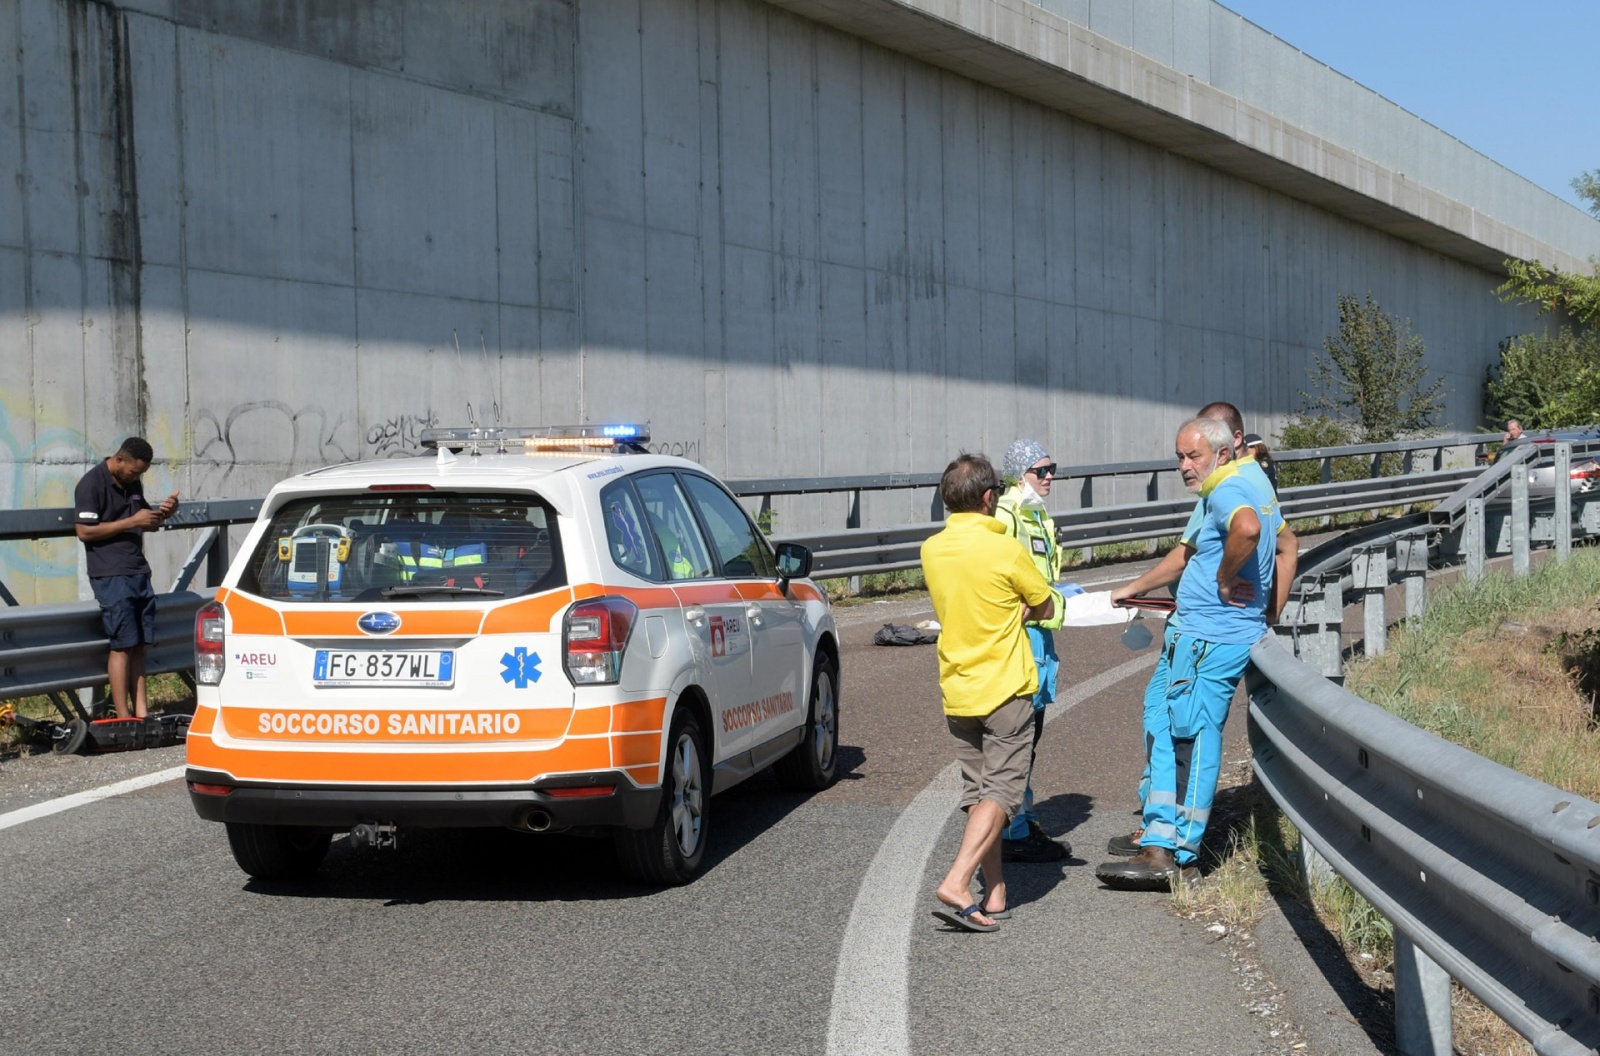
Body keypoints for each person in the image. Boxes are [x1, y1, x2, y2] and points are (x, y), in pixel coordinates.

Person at [1097, 418, 1291, 890]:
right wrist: (1270, 609)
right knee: (1163, 721)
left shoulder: (1226, 489)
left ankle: (1173, 851)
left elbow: (1246, 529)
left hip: (1211, 639)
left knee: (1191, 736)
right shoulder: (1253, 480)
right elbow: (1288, 546)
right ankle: (1158, 835)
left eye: (1193, 456)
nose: (1185, 466)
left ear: (1223, 453)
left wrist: (1228, 580)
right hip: (1201, 633)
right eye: (1180, 457)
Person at [921, 454, 1059, 930]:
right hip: (1005, 688)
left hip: (958, 689)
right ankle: (958, 880)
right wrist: (1023, 606)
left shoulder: (931, 551)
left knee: (980, 793)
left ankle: (994, 891)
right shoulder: (1005, 550)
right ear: (987, 498)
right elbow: (1042, 603)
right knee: (1003, 792)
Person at [993, 439, 1070, 863]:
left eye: (1051, 468)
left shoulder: (1035, 511)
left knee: (1031, 733)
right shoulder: (1007, 512)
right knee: (1021, 734)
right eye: (1040, 470)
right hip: (1022, 636)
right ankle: (1014, 831)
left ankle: (1020, 819)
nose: (1049, 476)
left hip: (1040, 633)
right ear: (1019, 472)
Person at [74, 438, 179, 719]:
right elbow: (84, 531)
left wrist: (163, 514)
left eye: (141, 473)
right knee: (121, 645)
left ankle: (141, 714)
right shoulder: (91, 484)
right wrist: (132, 522)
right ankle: (123, 717)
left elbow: (143, 519)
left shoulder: (132, 483)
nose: (137, 477)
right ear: (119, 459)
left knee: (138, 645)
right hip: (111, 574)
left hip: (138, 571)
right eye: (134, 471)